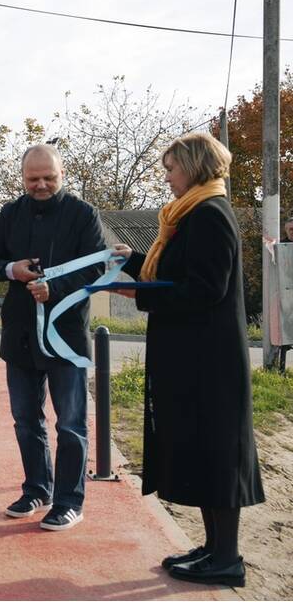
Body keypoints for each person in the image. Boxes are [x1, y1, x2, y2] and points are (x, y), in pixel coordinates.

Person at [111, 132, 264, 587]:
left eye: (171, 168)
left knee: (217, 454)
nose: (167, 177)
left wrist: (141, 294)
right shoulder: (192, 213)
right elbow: (180, 270)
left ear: (194, 166)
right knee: (202, 451)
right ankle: (213, 548)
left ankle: (226, 558)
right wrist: (134, 261)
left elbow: (205, 289)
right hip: (197, 357)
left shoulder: (210, 214)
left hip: (210, 362)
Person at [0, 143, 105, 531]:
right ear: (22, 177)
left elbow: (96, 268)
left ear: (62, 174)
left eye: (49, 178)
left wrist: (57, 288)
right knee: (25, 420)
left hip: (66, 336)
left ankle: (70, 501)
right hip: (19, 334)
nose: (41, 185)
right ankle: (37, 489)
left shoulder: (84, 214)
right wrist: (11, 269)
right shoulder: (10, 213)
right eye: (33, 178)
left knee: (70, 423)